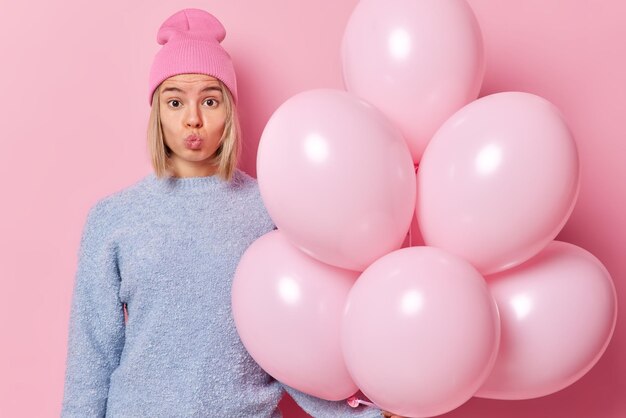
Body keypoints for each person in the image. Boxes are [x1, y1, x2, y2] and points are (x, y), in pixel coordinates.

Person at [60, 8, 387, 418]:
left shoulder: (270, 209)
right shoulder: (113, 218)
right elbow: (92, 358)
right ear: (157, 113)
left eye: (209, 101)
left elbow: (289, 344)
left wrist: (358, 414)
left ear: (229, 111)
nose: (192, 119)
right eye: (175, 101)